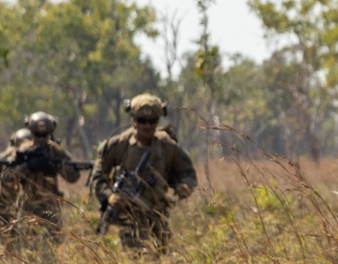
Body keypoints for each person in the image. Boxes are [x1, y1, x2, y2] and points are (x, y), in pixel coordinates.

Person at [92, 93, 196, 251]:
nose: (147, 125)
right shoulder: (119, 144)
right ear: (134, 120)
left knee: (159, 262)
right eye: (142, 121)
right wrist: (110, 196)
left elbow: (188, 174)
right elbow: (98, 177)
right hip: (126, 217)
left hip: (157, 217)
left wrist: (180, 191)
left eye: (152, 121)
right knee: (133, 261)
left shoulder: (167, 146)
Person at [0, 114, 82, 242]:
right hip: (27, 207)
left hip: (51, 207)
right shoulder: (22, 151)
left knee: (53, 243)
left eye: (45, 136)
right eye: (38, 135)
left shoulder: (55, 151)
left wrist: (57, 166)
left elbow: (73, 177)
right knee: (26, 244)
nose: (41, 139)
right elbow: (7, 178)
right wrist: (27, 167)